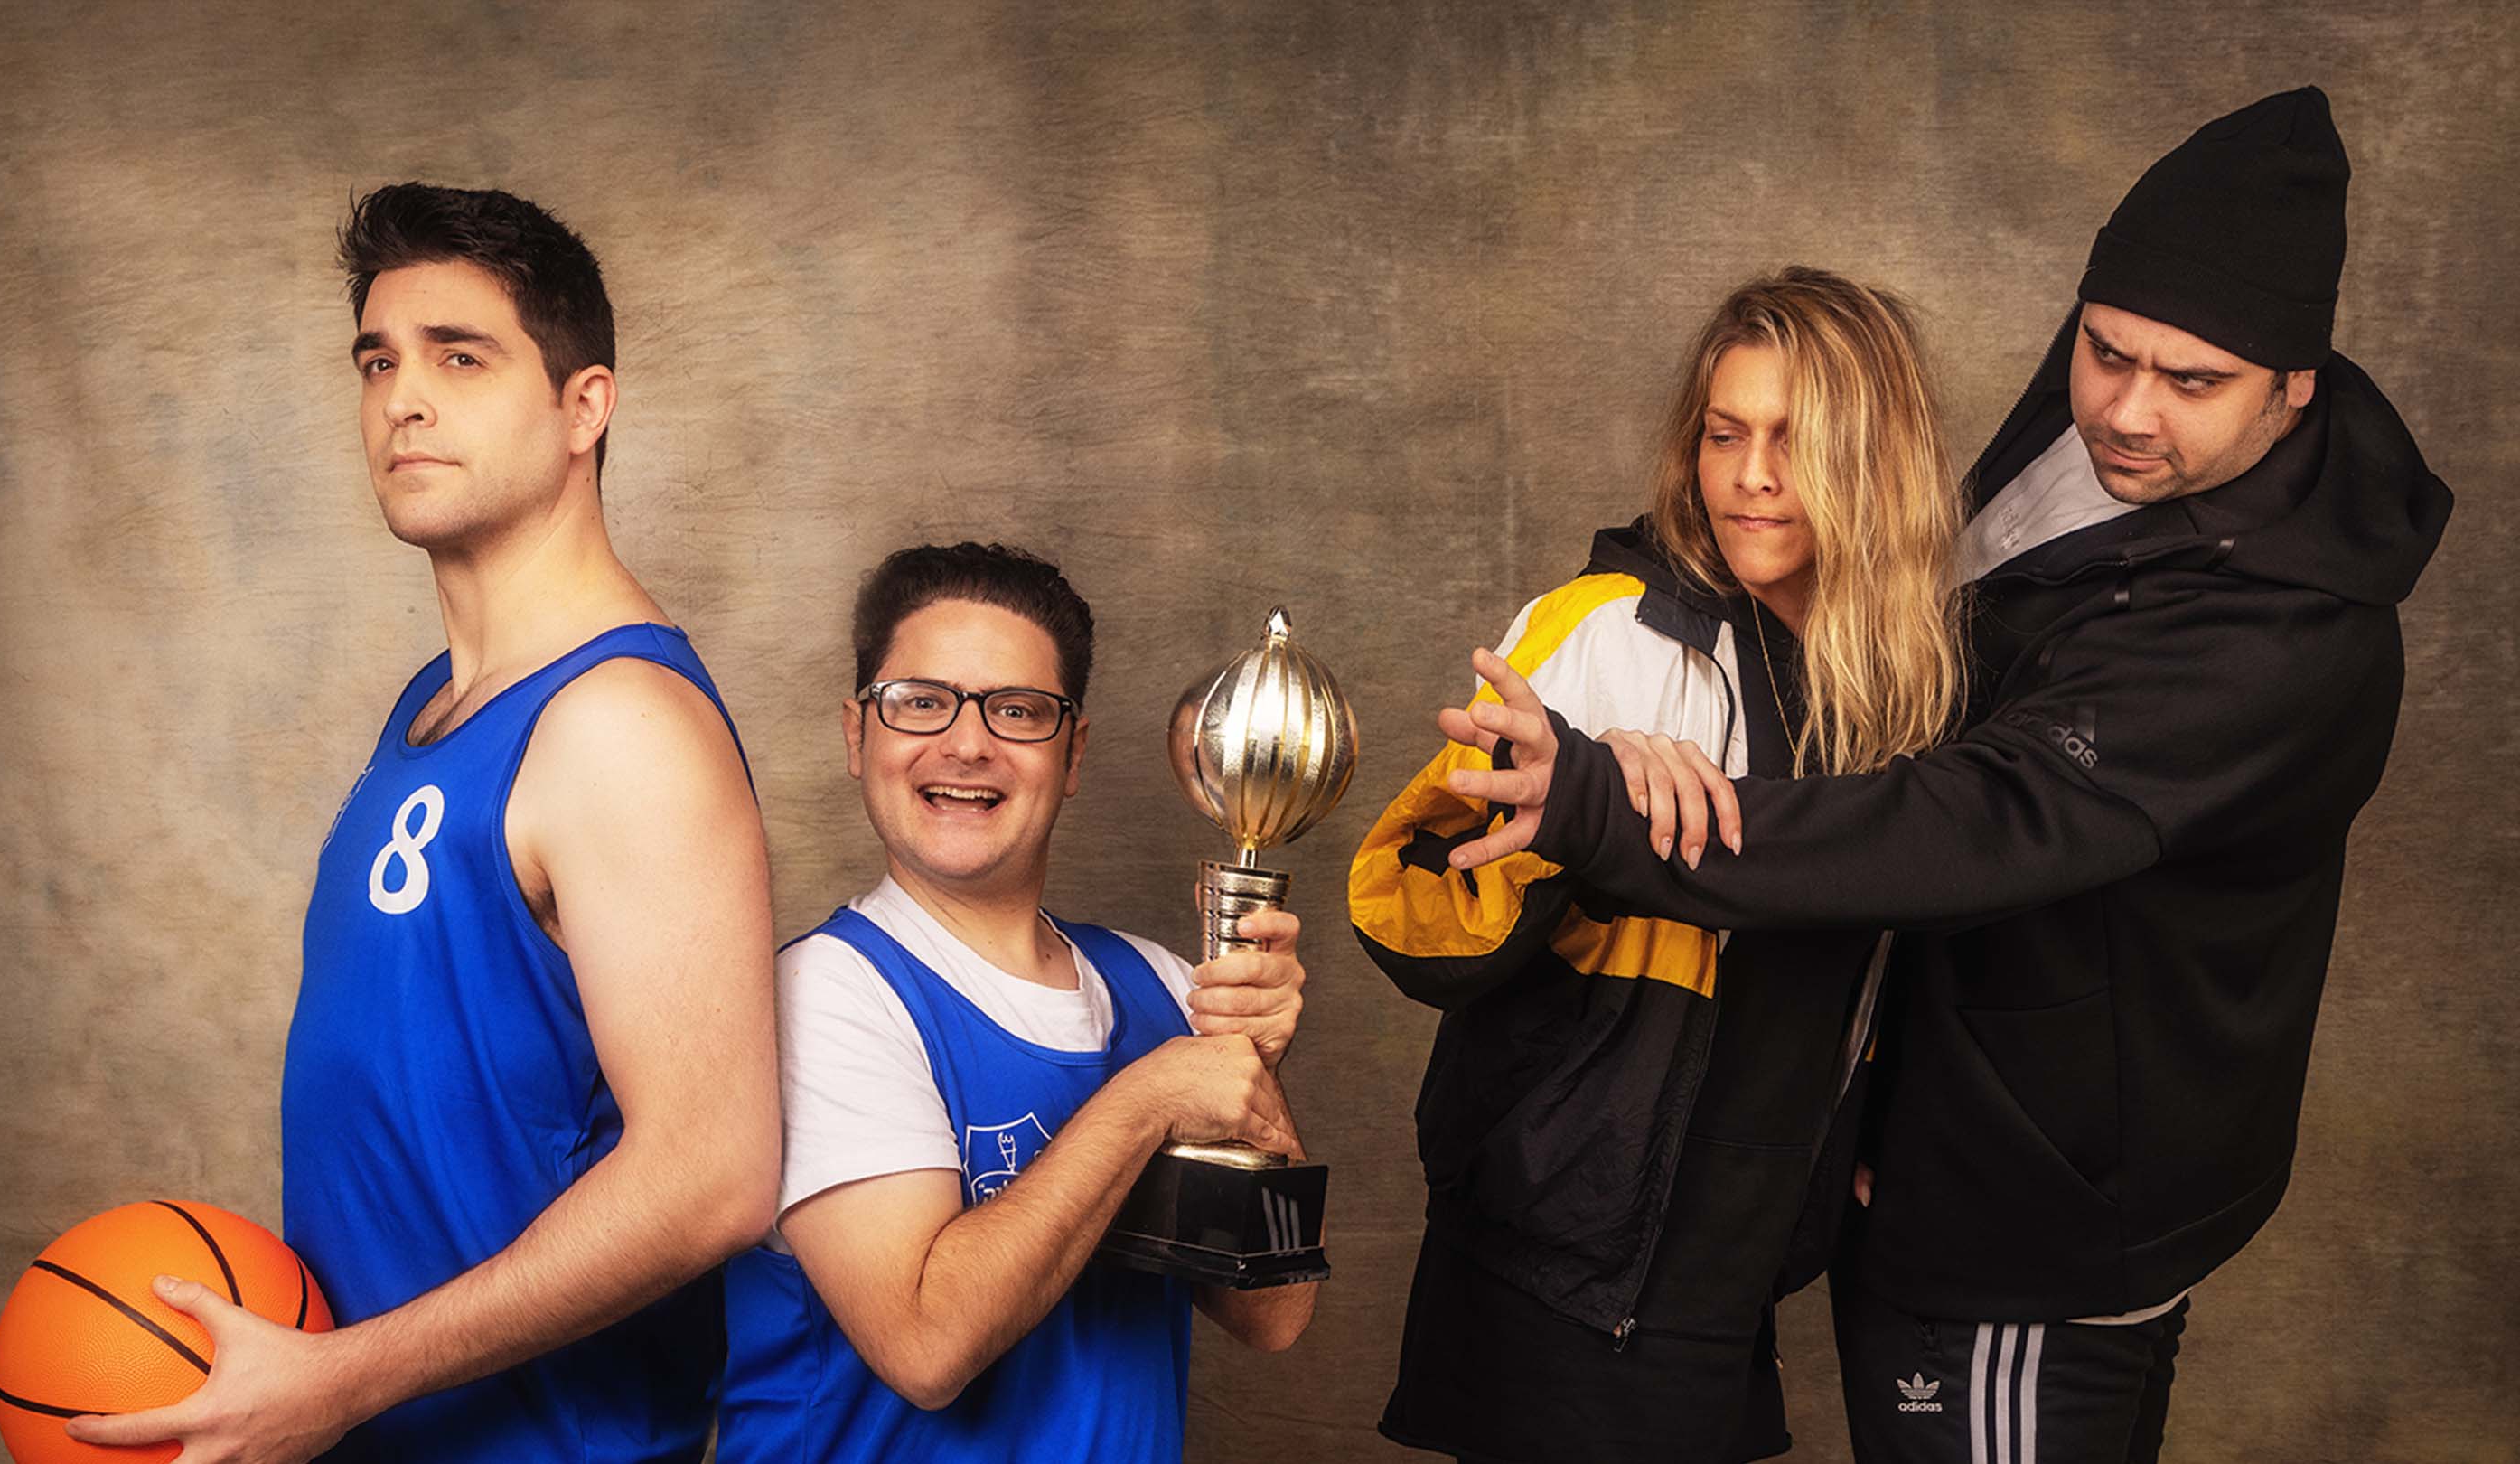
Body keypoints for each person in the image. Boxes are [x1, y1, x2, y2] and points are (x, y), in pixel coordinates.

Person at [1436, 88, 2450, 1463]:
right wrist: (1668, 585)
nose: (2128, 410)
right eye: (2105, 352)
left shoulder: (2285, 641)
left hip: (2033, 1227)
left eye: (2192, 381)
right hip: (1920, 1167)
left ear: (2296, 383)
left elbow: (1982, 813)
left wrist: (1604, 805)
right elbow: (1879, 610)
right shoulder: (2092, 445)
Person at [69, 184, 782, 1462]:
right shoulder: (434, 703)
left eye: (461, 357)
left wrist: (344, 1379)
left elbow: (712, 1179)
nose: (403, 398)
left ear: (584, 407)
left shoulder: (619, 724)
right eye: (377, 361)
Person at [1351, 267, 1967, 1462]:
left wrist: (1877, 1132)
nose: (1750, 476)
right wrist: (1581, 801)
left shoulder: (1900, 678)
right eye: (1725, 434)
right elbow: (1406, 910)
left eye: (1793, 440)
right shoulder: (1609, 630)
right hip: (1569, 1261)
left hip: (1735, 1261)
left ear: (1874, 460)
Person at [716, 542, 1316, 1462]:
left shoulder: (1164, 986)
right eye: (921, 701)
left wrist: (1251, 1071)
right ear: (857, 735)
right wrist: (1149, 1100)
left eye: (1018, 710)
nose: (967, 743)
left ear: (1072, 754)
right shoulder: (826, 994)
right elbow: (926, 1346)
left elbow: (1273, 1313)